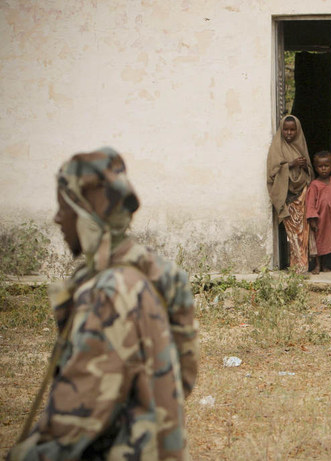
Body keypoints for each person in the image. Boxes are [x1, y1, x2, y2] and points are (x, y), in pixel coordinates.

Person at [9, 148, 199, 460]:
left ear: (87, 214)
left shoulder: (110, 291)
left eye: (64, 205)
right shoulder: (160, 274)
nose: (57, 217)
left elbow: (75, 418)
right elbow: (183, 378)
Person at [267, 114, 314, 273]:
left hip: (302, 195)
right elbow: (273, 173)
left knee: (303, 231)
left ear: (298, 131)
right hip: (287, 195)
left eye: (292, 130)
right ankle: (296, 267)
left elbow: (309, 171)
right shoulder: (276, 147)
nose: (289, 133)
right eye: (285, 129)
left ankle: (302, 266)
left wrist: (303, 166)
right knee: (292, 232)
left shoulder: (300, 145)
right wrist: (292, 164)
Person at [306, 150, 331, 275]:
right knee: (319, 241)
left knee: (330, 241)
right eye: (320, 166)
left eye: (326, 166)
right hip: (320, 218)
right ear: (315, 168)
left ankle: (326, 265)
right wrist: (312, 218)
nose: (323, 169)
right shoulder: (314, 185)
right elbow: (310, 203)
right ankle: (317, 265)